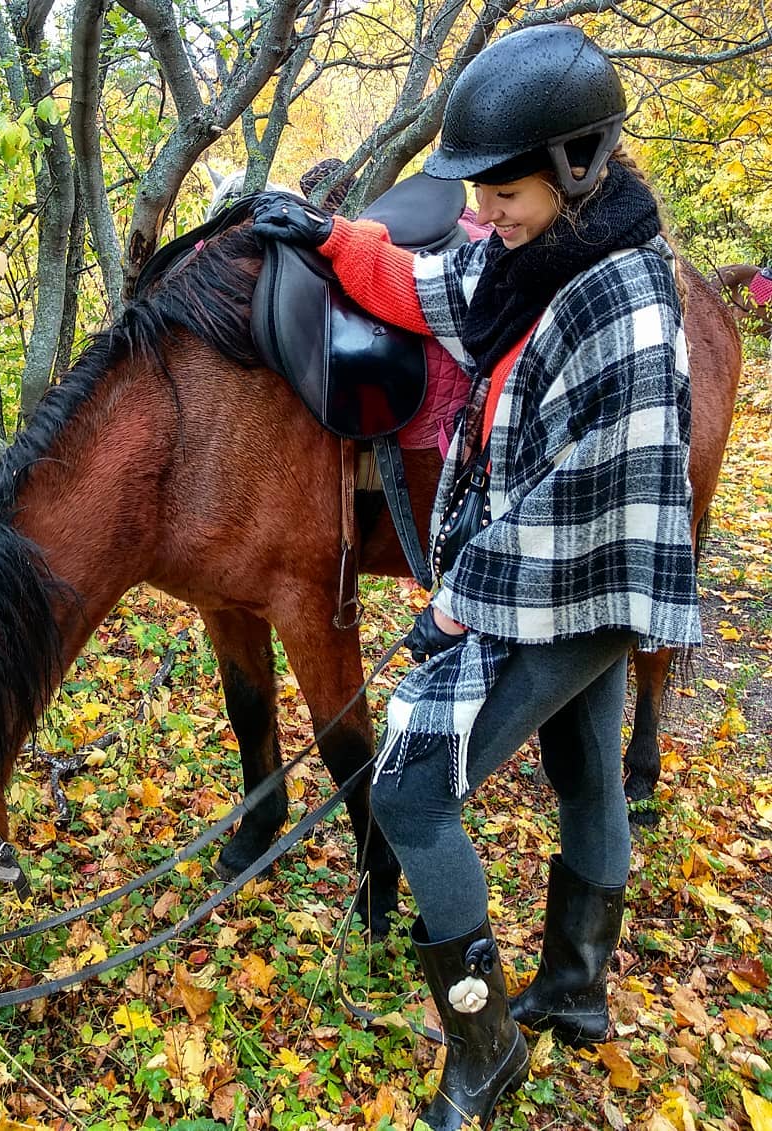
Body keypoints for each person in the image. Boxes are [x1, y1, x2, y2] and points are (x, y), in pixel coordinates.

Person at [252, 24, 701, 1131]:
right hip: (553, 580)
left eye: (500, 192)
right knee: (589, 767)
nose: (482, 214)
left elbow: (580, 504)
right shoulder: (528, 260)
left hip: (589, 583)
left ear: (577, 165)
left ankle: (486, 1045)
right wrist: (329, 237)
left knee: (409, 791)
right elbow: (429, 286)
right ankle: (576, 992)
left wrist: (458, 596)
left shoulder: (630, 307)